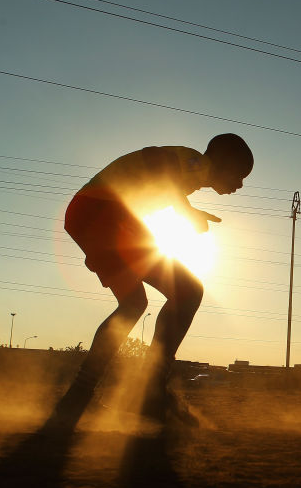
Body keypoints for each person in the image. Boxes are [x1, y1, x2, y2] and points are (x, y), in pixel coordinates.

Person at [46, 133, 253, 432]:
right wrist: (185, 210)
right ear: (225, 163)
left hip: (90, 213)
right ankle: (150, 390)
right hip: (103, 210)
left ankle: (78, 398)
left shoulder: (190, 174)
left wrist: (185, 208)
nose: (241, 184)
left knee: (133, 305)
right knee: (188, 290)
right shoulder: (195, 162)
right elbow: (158, 162)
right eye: (240, 174)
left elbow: (156, 179)